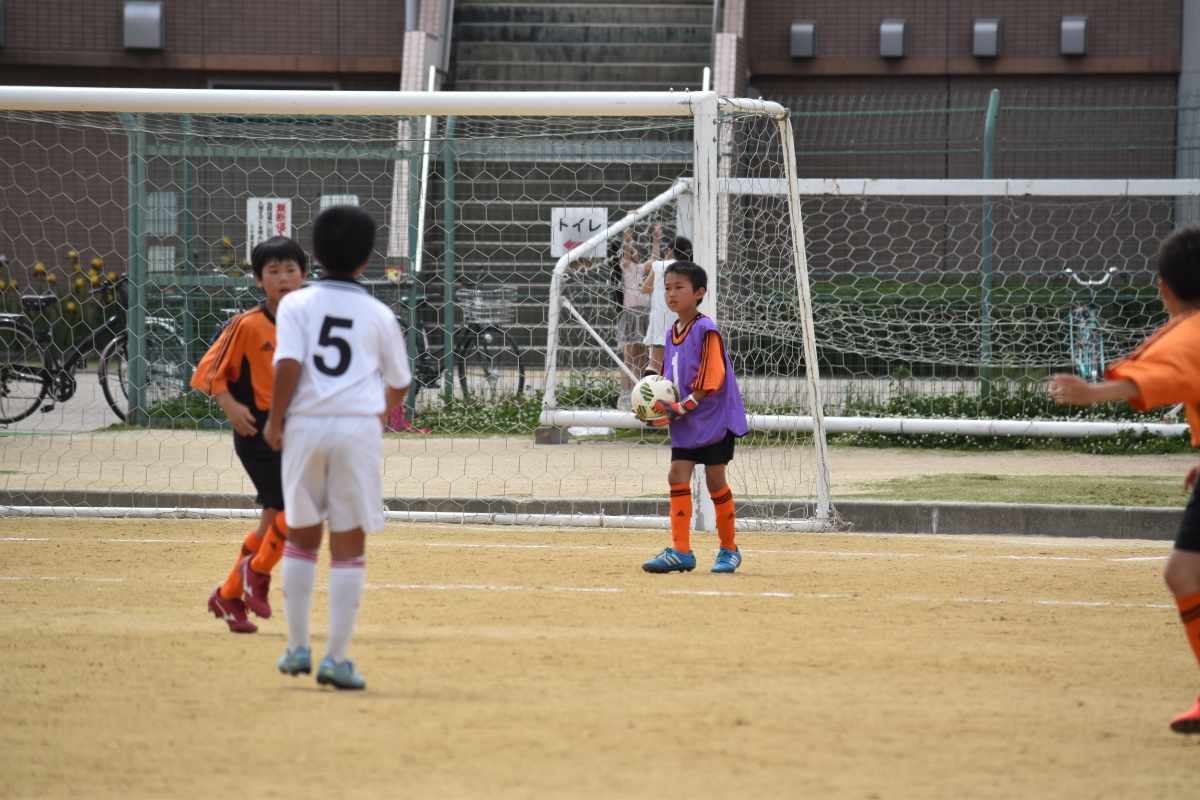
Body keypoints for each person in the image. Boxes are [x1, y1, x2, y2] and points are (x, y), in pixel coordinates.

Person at [1049, 226, 1200, 734]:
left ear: (1164, 287)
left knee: (1184, 574)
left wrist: (1092, 393)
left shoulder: (1187, 331)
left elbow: (1155, 376)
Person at [264, 206, 411, 690]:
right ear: (367, 258)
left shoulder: (295, 305)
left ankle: (296, 647)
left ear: (314, 256)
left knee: (302, 536)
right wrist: (376, 413)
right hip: (355, 430)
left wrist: (275, 420)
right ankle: (336, 658)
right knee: (348, 543)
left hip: (305, 426)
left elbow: (287, 364)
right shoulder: (379, 314)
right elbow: (400, 382)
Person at [195, 236, 306, 633]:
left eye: (290, 270)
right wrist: (229, 404)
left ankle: (228, 596)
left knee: (273, 518)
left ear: (304, 275)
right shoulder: (246, 324)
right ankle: (256, 573)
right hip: (257, 431)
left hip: (299, 430)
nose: (283, 278)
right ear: (259, 280)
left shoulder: (312, 323)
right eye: (273, 271)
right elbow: (210, 370)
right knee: (299, 508)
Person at [640, 260, 749, 575]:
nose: (671, 294)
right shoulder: (671, 331)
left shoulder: (706, 328)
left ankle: (729, 549)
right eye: (667, 288)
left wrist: (684, 406)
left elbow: (713, 376)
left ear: (699, 293)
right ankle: (681, 551)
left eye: (679, 287)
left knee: (715, 481)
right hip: (686, 420)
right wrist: (651, 404)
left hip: (714, 418)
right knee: (677, 476)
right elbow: (665, 379)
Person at [640, 222, 692, 376]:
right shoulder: (690, 268)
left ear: (669, 251)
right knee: (680, 362)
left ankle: (648, 390)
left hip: (660, 320)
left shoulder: (659, 266)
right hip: (682, 319)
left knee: (655, 362)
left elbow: (645, 289)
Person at [615, 213, 648, 410]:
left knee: (642, 358)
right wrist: (628, 226)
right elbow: (626, 246)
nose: (634, 252)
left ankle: (638, 393)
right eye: (631, 251)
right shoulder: (626, 268)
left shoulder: (641, 270)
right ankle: (624, 395)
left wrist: (656, 238)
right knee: (630, 356)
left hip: (644, 314)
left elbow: (655, 259)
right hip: (631, 314)